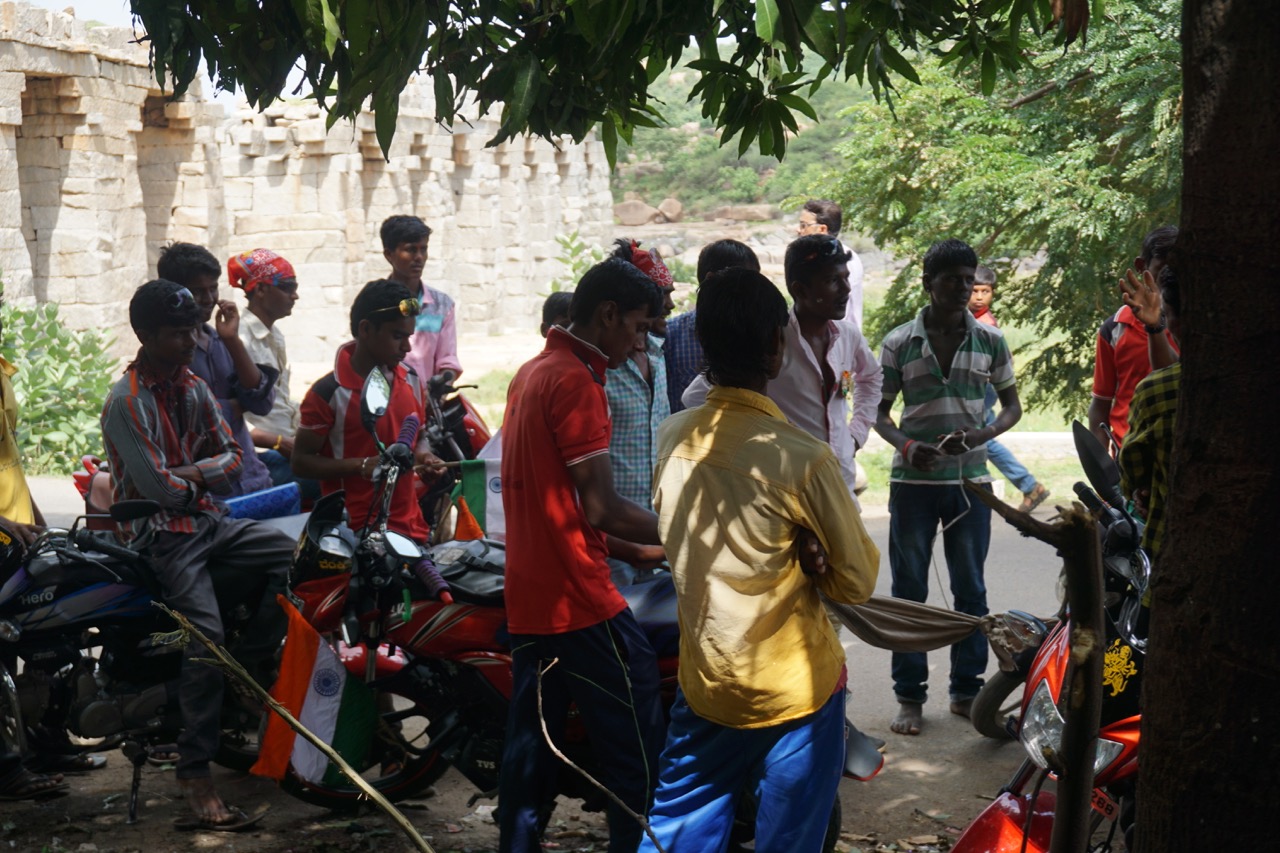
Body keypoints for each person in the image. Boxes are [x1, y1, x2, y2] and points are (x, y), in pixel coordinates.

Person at [639, 267, 880, 853]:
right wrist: (810, 552)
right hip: (795, 691)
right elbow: (857, 582)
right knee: (791, 838)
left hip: (707, 684)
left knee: (675, 834)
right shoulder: (804, 459)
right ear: (778, 347)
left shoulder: (673, 436)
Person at [100, 279, 291, 830]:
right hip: (160, 536)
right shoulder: (126, 401)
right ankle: (194, 771)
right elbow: (159, 495)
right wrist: (198, 478)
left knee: (292, 557)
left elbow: (235, 459)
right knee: (206, 636)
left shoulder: (193, 387)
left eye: (192, 330)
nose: (190, 340)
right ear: (146, 335)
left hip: (210, 522)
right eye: (178, 333)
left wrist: (188, 476)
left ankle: (248, 661)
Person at [497, 258, 666, 853]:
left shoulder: (532, 371)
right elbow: (600, 506)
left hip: (531, 596)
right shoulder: (575, 380)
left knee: (531, 748)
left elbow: (558, 506)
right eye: (638, 327)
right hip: (578, 600)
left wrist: (642, 546)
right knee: (637, 742)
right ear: (609, 315)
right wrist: (691, 529)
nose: (639, 342)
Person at [875, 239, 1022, 736]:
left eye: (968, 278)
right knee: (910, 591)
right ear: (927, 284)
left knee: (970, 590)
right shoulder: (898, 341)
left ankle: (965, 690)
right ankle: (909, 696)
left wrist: (981, 435)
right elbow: (878, 413)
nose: (963, 288)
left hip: (970, 483)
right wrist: (906, 446)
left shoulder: (990, 342)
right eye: (952, 280)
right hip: (912, 483)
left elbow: (1011, 407)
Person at [683, 235, 880, 503]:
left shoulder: (848, 336)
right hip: (789, 492)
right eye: (833, 280)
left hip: (842, 484)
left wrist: (855, 434)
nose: (846, 289)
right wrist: (773, 439)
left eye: (846, 278)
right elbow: (695, 396)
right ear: (799, 290)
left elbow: (871, 378)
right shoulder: (773, 339)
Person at [0, 309, 107, 777]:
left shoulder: (2, 368)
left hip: (16, 526)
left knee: (48, 631)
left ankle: (46, 737)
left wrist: (34, 515)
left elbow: (8, 456)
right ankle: (6, 768)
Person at [291, 280, 450, 585]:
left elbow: (416, 433)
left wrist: (425, 455)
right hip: (353, 535)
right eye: (397, 336)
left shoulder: (412, 378)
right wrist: (360, 466)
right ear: (366, 329)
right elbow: (300, 462)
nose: (407, 347)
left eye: (409, 337)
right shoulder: (327, 393)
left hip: (410, 529)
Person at [156, 242, 277, 497]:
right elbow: (177, 412)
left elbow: (262, 403)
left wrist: (232, 340)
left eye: (213, 289)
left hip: (250, 476)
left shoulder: (221, 341)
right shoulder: (168, 353)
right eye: (198, 292)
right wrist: (227, 405)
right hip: (207, 490)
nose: (209, 299)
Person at [229, 248, 319, 503]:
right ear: (260, 290)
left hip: (286, 446)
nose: (295, 295)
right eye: (287, 287)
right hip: (261, 455)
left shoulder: (274, 335)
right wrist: (279, 442)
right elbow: (226, 413)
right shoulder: (240, 339)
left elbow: (281, 400)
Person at [1088, 226, 1180, 450]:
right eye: (1161, 270)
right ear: (1141, 267)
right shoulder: (1115, 329)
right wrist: (1104, 470)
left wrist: (1155, 326)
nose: (1168, 279)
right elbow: (1101, 403)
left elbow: (1171, 381)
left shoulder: (1188, 323)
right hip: (1129, 455)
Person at [968, 266, 1050, 512]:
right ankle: (1029, 485)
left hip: (985, 386)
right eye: (975, 291)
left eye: (986, 291)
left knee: (983, 440)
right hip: (983, 385)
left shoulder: (983, 322)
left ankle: (1029, 485)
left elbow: (1003, 360)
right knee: (983, 438)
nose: (979, 297)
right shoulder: (973, 318)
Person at [604, 239, 675, 509]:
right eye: (662, 295)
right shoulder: (600, 369)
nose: (669, 304)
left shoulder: (658, 354)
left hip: (656, 518)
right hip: (612, 531)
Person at [1119, 265, 1182, 561]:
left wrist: (1138, 490)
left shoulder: (1156, 390)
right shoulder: (1115, 328)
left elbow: (1133, 466)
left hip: (1167, 549)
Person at [664, 240, 760, 413]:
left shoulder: (758, 336)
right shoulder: (671, 336)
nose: (755, 292)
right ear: (711, 280)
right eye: (745, 284)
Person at [381, 215, 463, 384]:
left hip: (425, 404)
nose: (419, 257)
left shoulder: (442, 306)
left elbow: (448, 360)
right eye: (411, 249)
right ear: (389, 254)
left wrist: (442, 385)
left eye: (423, 249)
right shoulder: (375, 302)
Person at [798, 199, 866, 331]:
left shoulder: (842, 259)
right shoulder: (819, 257)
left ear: (822, 229)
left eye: (804, 225)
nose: (799, 230)